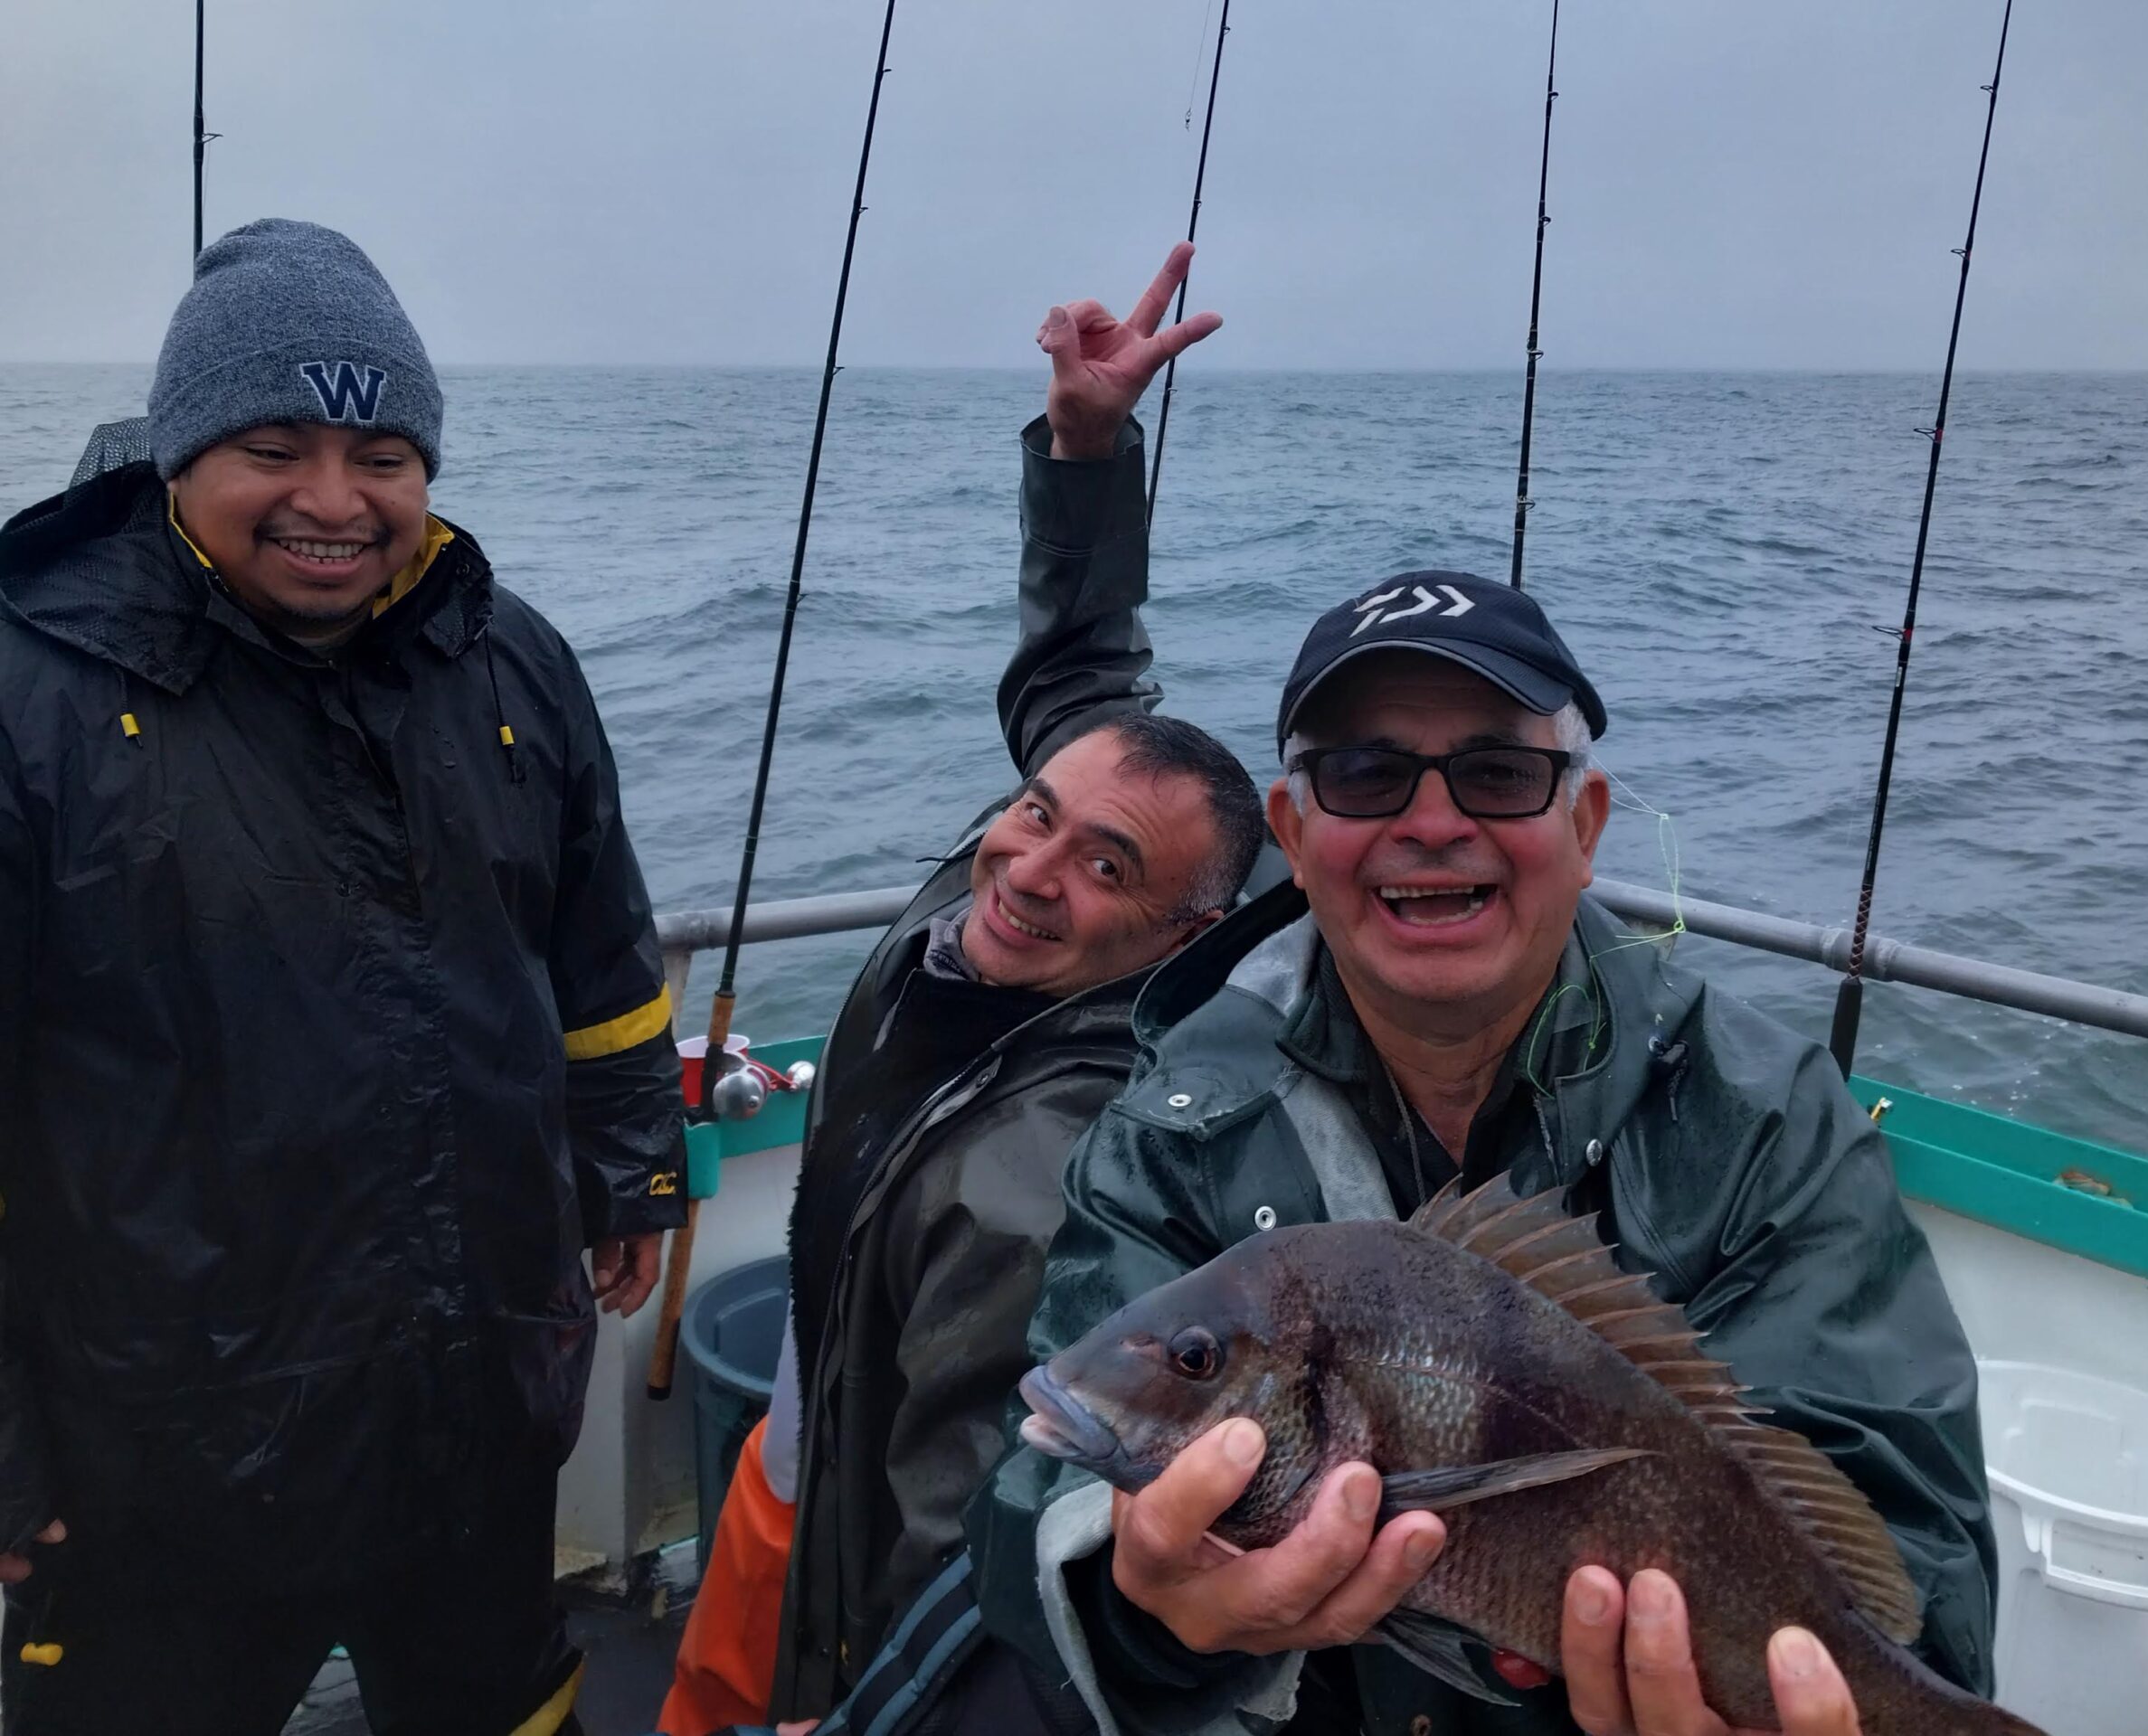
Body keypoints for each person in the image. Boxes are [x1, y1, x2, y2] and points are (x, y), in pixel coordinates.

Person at [967, 576, 2000, 1735]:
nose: (1431, 821)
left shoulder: (1764, 1119)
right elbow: (1035, 1509)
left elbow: (1915, 1566)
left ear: (1585, 825)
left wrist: (1829, 1704)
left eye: (1499, 774)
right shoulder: (1169, 1129)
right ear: (1294, 836)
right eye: (1365, 772)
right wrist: (1145, 1616)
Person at [0, 219, 687, 1736]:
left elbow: (600, 941)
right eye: (273, 448)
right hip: (159, 1449)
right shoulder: (28, 691)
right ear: (179, 455)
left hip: (474, 1393)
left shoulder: (513, 659)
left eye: (381, 454)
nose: (332, 500)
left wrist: (634, 1160)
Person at [656, 246, 1267, 1736]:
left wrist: (885, 1706)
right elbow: (1078, 674)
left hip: (857, 1562)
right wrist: (1086, 449)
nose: (1030, 867)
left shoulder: (1049, 1171)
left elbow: (961, 1514)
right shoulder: (1023, 869)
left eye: (1105, 867)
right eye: (1036, 812)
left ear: (1185, 934)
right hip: (807, 1419)